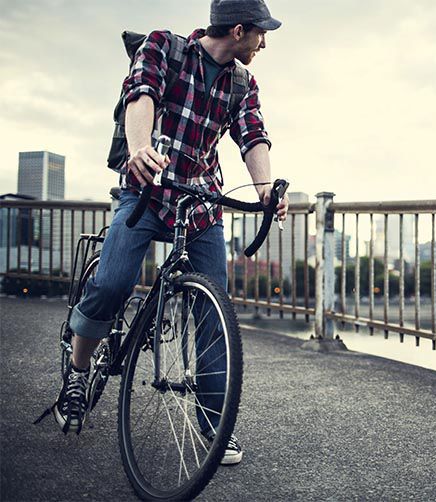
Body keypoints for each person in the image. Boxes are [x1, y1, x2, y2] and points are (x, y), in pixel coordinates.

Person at [52, 0, 288, 466]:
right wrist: (139, 149)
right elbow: (140, 95)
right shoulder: (164, 47)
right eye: (262, 33)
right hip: (147, 191)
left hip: (200, 203)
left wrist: (265, 189)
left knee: (213, 309)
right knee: (114, 283)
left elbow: (253, 136)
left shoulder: (243, 83)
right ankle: (78, 373)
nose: (265, 43)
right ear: (239, 30)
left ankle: (214, 421)